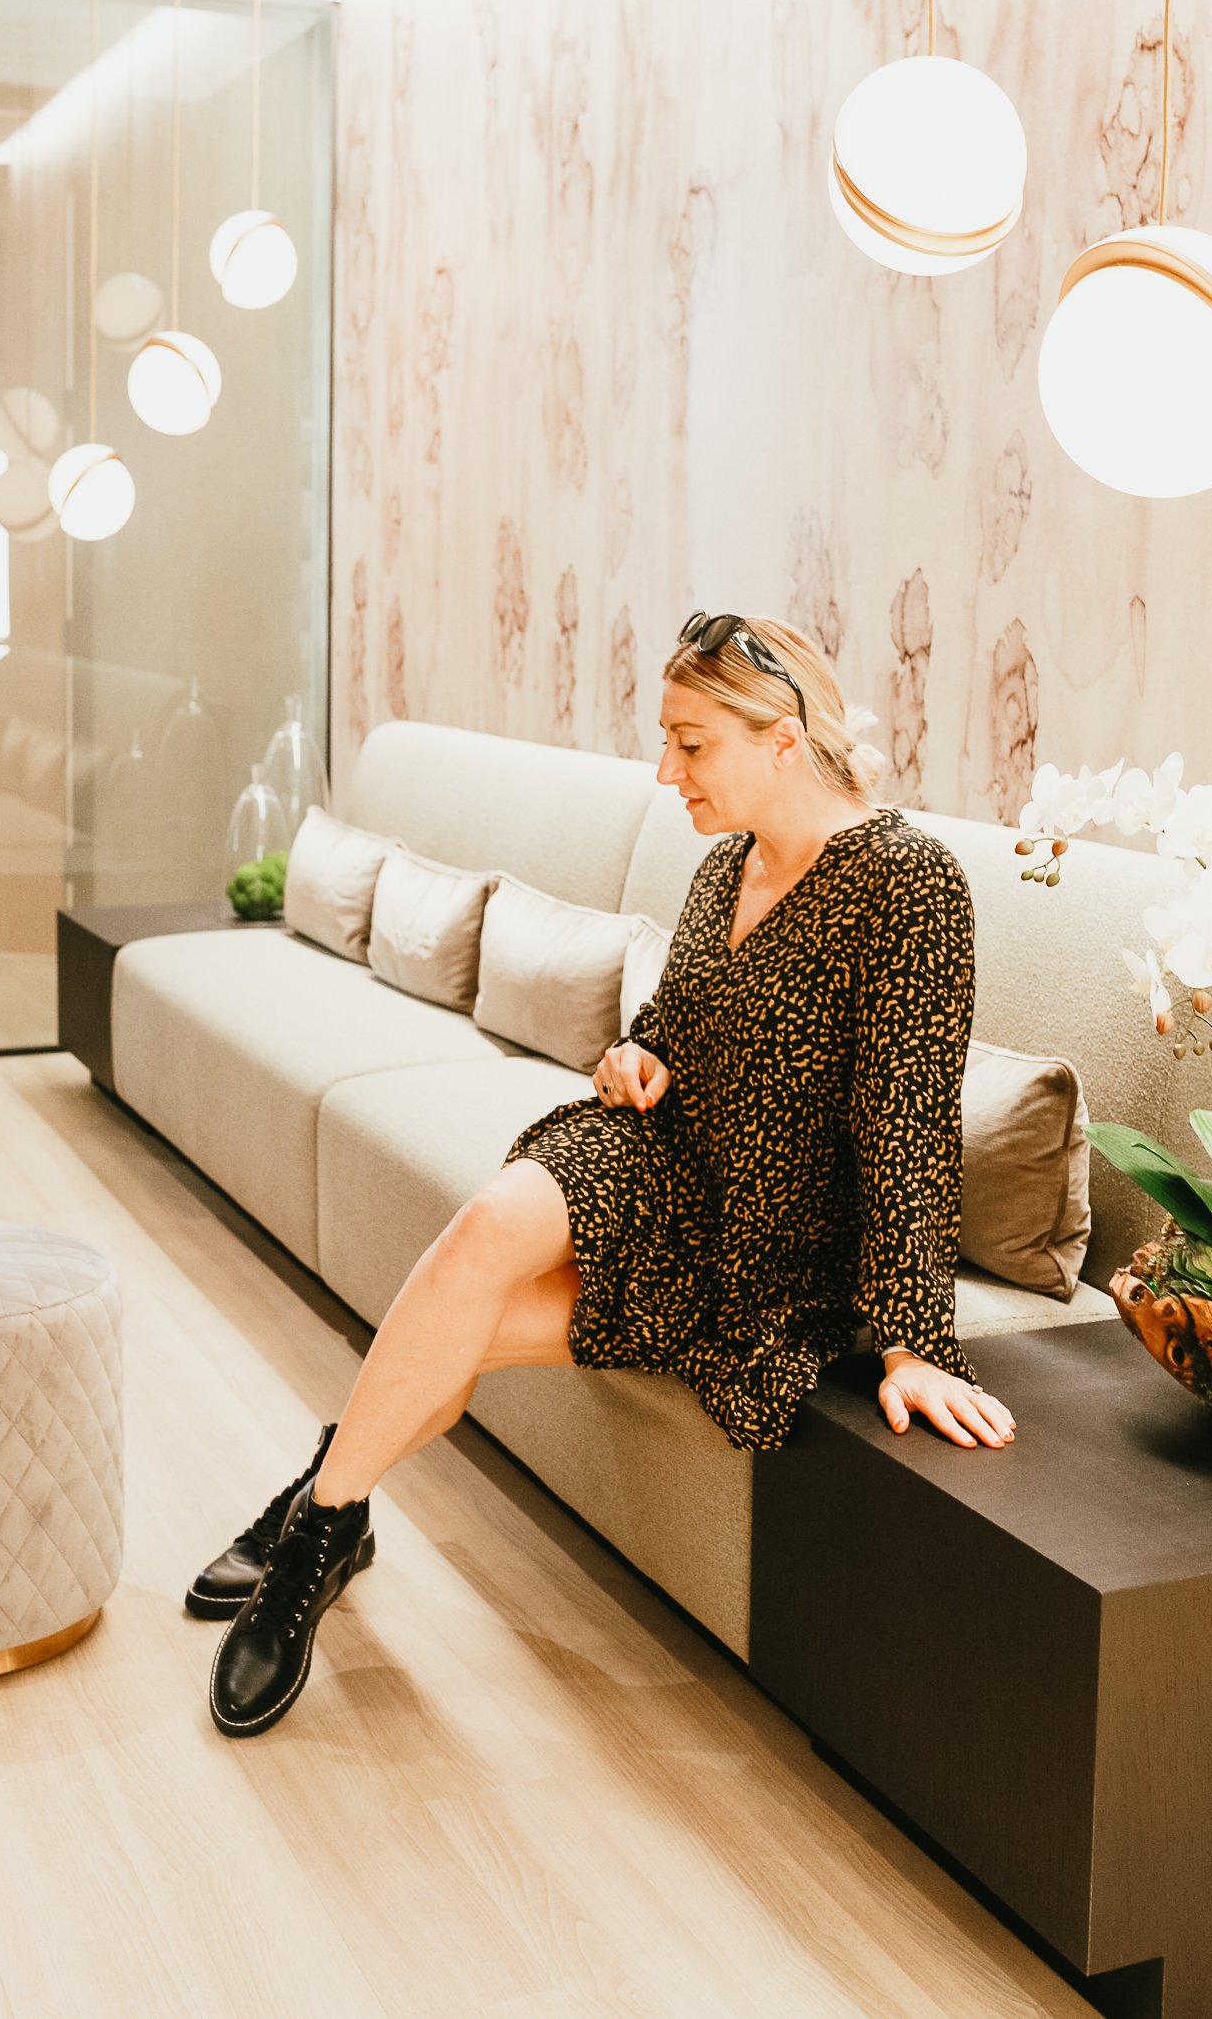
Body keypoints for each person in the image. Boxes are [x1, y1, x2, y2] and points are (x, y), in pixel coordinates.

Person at [197, 609, 1015, 1738]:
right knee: (481, 1231)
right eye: (666, 741)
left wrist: (914, 1337)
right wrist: (632, 1055)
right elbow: (669, 1024)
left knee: (457, 1323)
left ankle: (316, 1515)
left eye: (690, 743)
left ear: (780, 737)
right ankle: (324, 1530)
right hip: (651, 1154)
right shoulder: (723, 862)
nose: (665, 768)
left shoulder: (908, 883)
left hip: (761, 1237)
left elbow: (907, 1118)